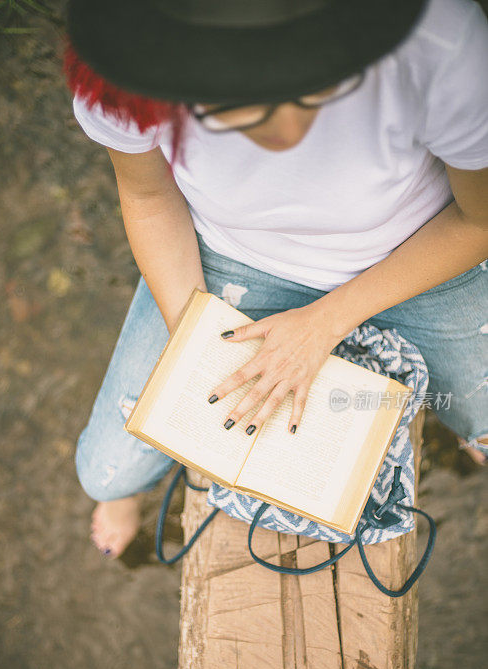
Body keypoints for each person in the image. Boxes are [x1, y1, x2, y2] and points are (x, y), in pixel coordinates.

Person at [65, 0, 488, 559]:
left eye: (317, 91)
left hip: (420, 251)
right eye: (233, 111)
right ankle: (125, 492)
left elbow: (479, 218)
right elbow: (148, 197)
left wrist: (324, 324)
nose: (288, 131)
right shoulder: (127, 71)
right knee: (105, 472)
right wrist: (194, 337)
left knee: (481, 414)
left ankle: (470, 431)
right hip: (236, 256)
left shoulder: (440, 41)